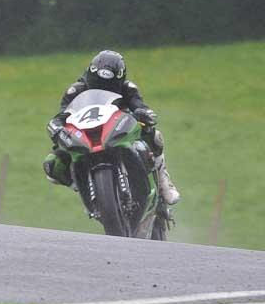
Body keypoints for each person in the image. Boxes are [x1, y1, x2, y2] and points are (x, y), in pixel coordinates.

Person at [43, 50, 180, 205]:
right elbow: (63, 115)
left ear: (119, 80)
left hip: (119, 132)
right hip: (86, 136)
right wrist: (56, 126)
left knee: (155, 136)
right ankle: (82, 187)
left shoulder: (128, 88)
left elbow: (140, 106)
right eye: (98, 84)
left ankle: (163, 182)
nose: (103, 89)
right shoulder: (75, 90)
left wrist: (143, 113)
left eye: (108, 86)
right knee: (53, 163)